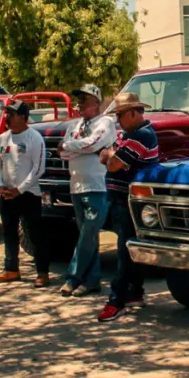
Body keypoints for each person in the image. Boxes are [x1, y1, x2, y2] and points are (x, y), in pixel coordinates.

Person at [97, 92, 159, 322]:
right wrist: (110, 155)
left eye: (121, 115)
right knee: (127, 247)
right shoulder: (129, 135)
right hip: (118, 199)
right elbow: (108, 155)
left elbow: (112, 163)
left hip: (128, 201)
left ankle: (116, 300)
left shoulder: (141, 136)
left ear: (133, 113)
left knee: (123, 251)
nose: (118, 120)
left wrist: (110, 156)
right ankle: (135, 292)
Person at [58, 84, 116, 298]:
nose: (80, 103)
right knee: (87, 236)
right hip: (76, 185)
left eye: (85, 99)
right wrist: (74, 147)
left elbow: (92, 144)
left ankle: (73, 277)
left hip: (97, 185)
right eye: (79, 98)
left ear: (97, 102)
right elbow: (62, 151)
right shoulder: (74, 125)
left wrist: (72, 147)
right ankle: (92, 281)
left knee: (88, 233)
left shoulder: (106, 123)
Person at [0, 100, 49, 288]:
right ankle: (11, 269)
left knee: (35, 234)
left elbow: (38, 169)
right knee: (9, 233)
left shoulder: (34, 138)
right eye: (6, 113)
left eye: (12, 114)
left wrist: (19, 189)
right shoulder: (2, 139)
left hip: (28, 194)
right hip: (7, 194)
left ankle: (42, 273)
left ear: (23, 117)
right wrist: (0, 186)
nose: (7, 117)